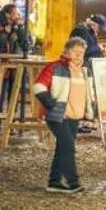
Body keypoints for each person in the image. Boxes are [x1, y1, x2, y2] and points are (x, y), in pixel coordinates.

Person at [32, 38, 92, 192]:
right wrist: (52, 105)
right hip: (58, 116)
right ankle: (73, 182)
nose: (79, 55)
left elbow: (89, 94)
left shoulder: (85, 71)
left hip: (75, 116)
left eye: (81, 52)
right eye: (75, 51)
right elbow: (38, 87)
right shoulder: (55, 67)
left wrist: (90, 111)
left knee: (62, 148)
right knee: (68, 147)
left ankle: (54, 181)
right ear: (66, 51)